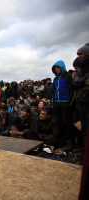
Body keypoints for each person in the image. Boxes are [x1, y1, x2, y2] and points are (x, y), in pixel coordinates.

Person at [73, 43, 89, 200]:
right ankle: (82, 152)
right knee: (82, 130)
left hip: (85, 105)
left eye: (81, 55)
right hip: (81, 105)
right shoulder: (79, 72)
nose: (79, 57)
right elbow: (76, 84)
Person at [51, 60, 73, 149]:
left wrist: (70, 102)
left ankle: (69, 142)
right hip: (57, 103)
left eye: (58, 68)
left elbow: (71, 90)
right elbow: (53, 90)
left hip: (66, 103)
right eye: (55, 68)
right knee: (57, 123)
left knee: (66, 123)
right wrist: (53, 100)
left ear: (62, 68)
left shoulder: (68, 76)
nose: (56, 70)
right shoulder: (55, 79)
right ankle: (59, 141)